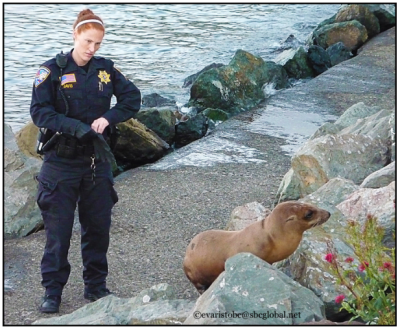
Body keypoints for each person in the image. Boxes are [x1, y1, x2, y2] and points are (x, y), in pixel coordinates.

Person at [30, 8, 141, 314]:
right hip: (60, 162)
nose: (92, 49)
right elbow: (39, 113)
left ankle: (96, 286)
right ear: (75, 35)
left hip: (96, 163)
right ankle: (52, 291)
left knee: (98, 228)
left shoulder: (106, 70)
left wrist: (108, 117)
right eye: (88, 41)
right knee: (58, 232)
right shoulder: (50, 70)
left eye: (98, 44)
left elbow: (133, 99)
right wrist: (75, 127)